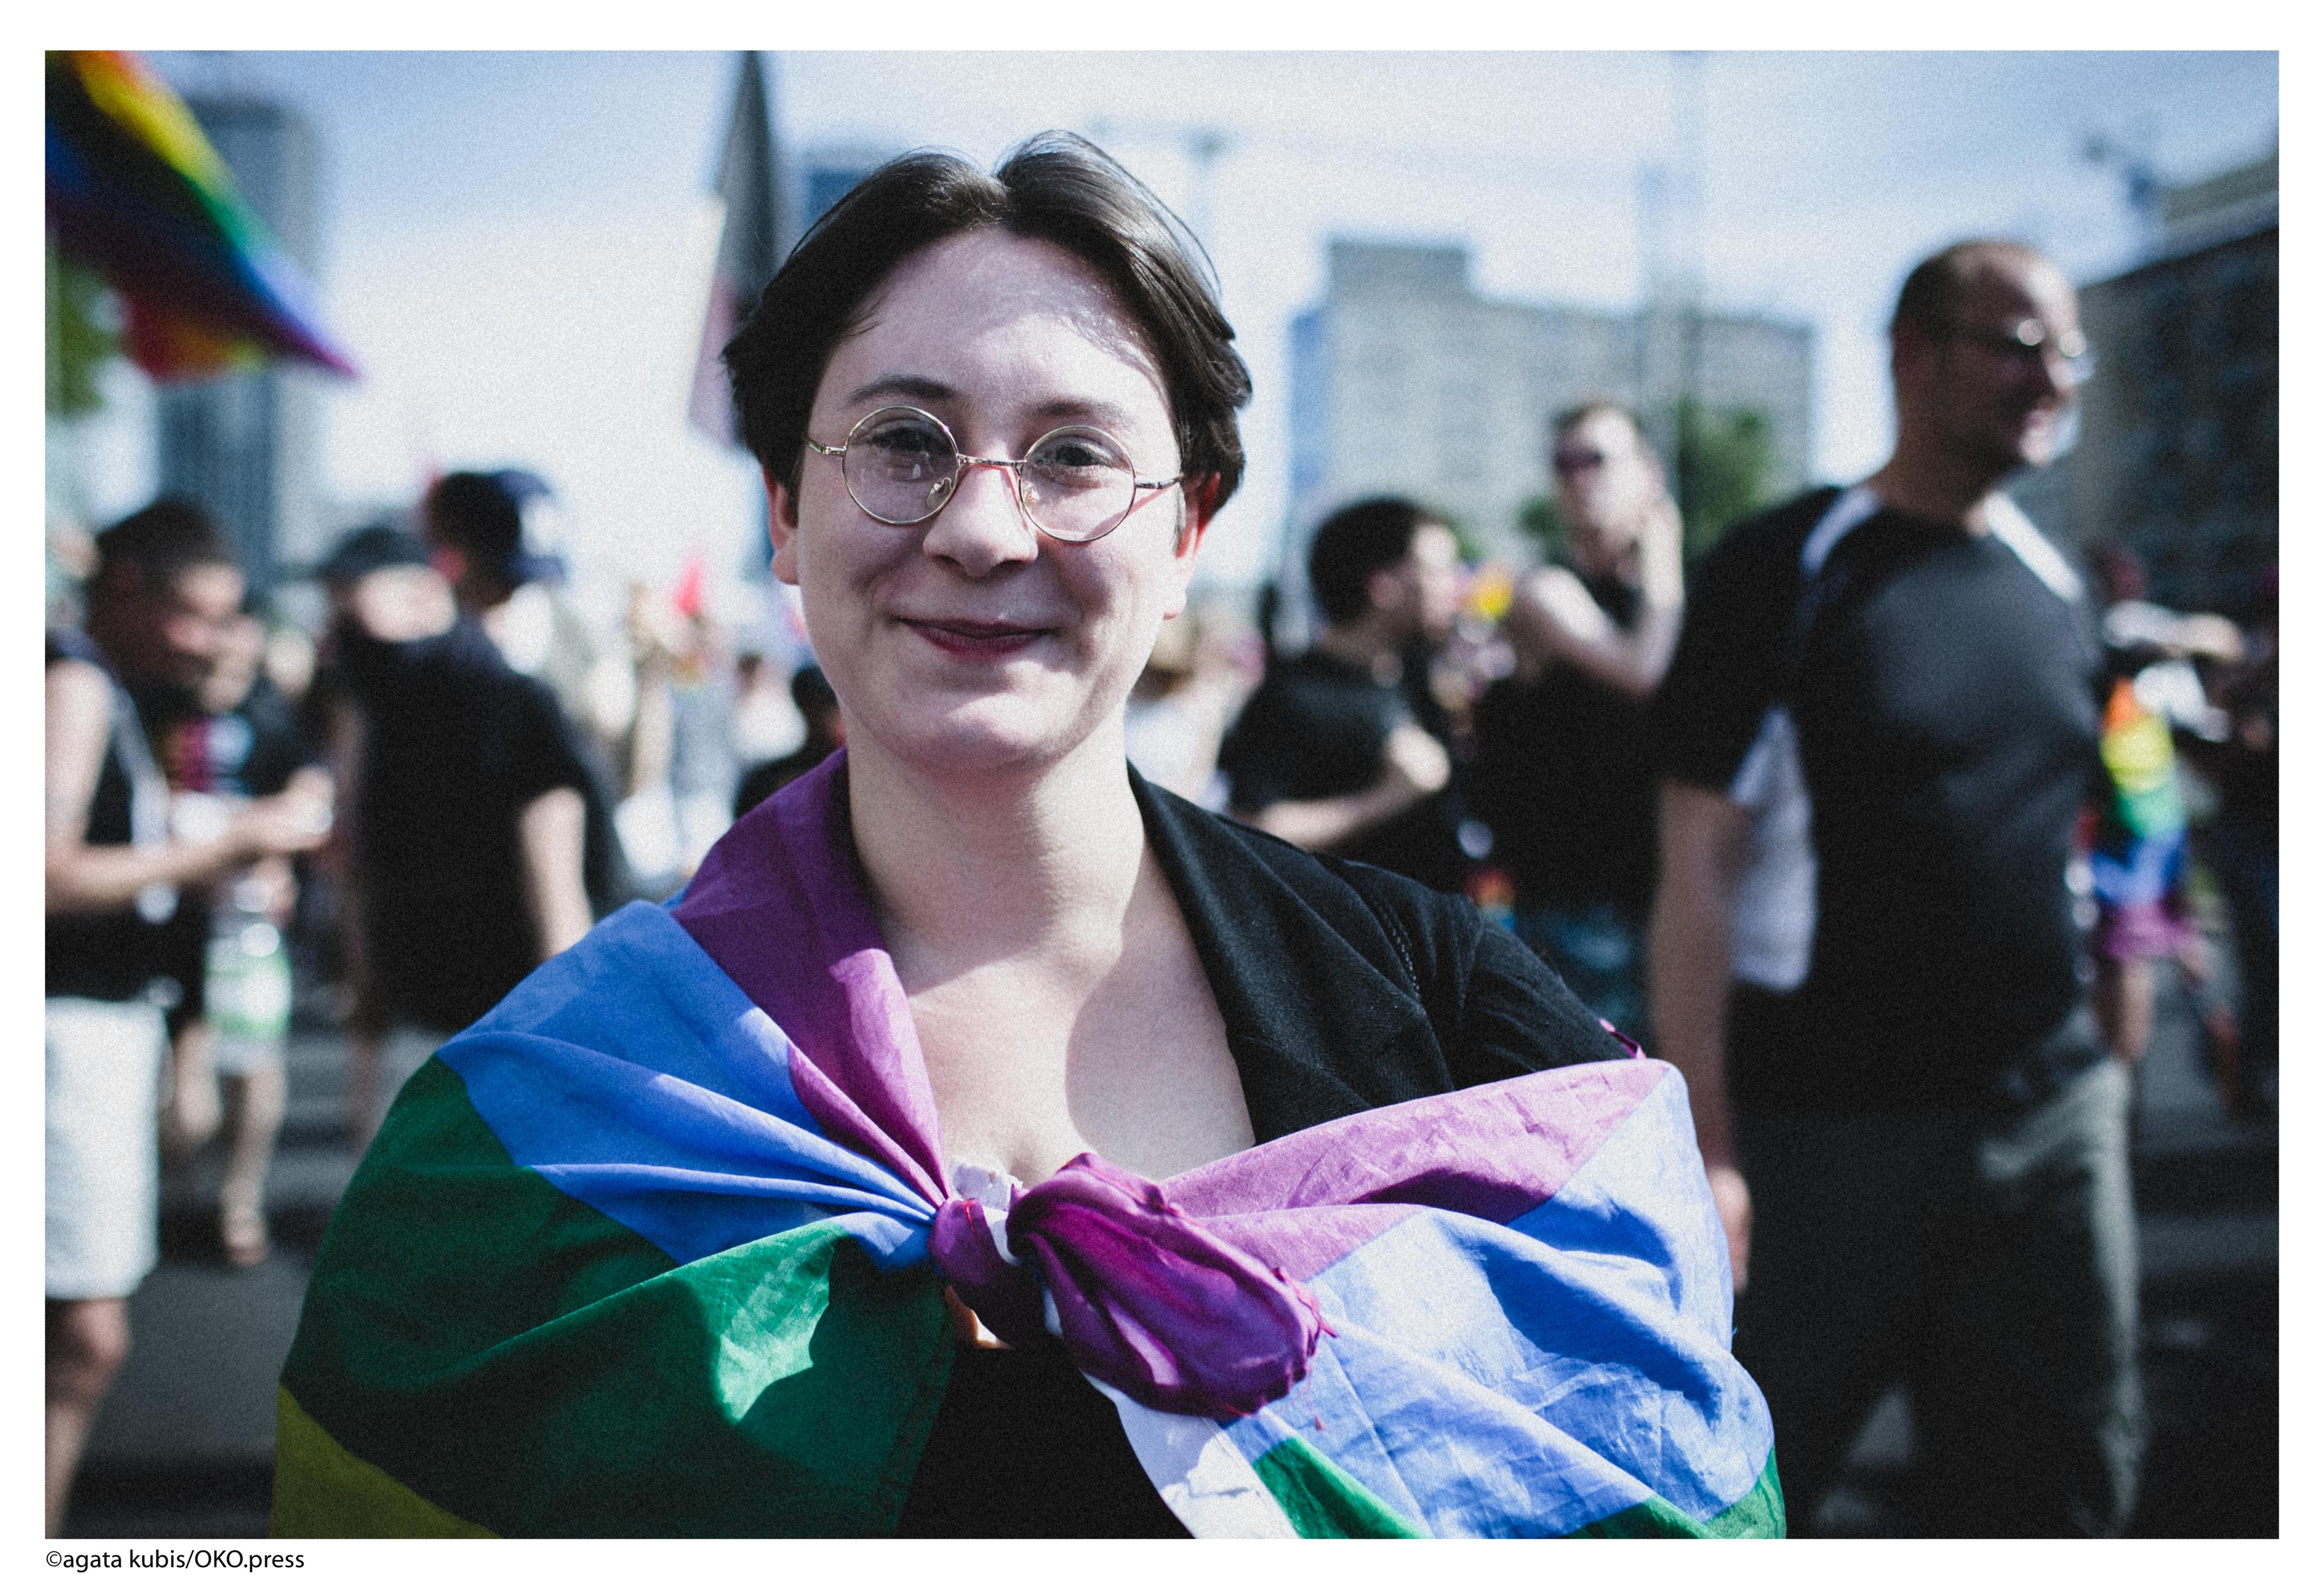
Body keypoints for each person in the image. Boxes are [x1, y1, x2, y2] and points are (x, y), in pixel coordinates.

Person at [275, 134, 1777, 1539]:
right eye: (903, 442)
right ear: (786, 510)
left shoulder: (1454, 1017)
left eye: (1071, 455)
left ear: (1185, 532)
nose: (985, 530)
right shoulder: (566, 1098)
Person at [1646, 240, 2143, 1535]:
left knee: (2061, 1492)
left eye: (2069, 352)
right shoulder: (1787, 567)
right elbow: (1697, 870)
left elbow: (2098, 822)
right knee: (1744, 1495)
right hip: (1830, 1134)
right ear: (1913, 354)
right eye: (2020, 346)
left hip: (2052, 1116)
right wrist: (1709, 1148)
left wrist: (2120, 1009)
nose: (2053, 379)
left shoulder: (2059, 583)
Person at [45, 500, 329, 1535]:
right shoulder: (75, 682)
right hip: (64, 1033)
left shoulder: (105, 684)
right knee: (81, 1340)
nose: (214, 643)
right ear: (128, 588)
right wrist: (224, 846)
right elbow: (42, 872)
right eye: (197, 616)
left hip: (91, 1029)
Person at [314, 523, 622, 1145]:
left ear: (425, 594)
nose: (335, 629)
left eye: (353, 605)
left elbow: (556, 882)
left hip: (508, 1026)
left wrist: (571, 1036)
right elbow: (365, 861)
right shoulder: (379, 704)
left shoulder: (504, 701)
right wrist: (366, 997)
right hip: (419, 1019)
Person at [1469, 403, 1683, 1038]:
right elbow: (1643, 673)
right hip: (1577, 907)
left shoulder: (1656, 600)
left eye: (1595, 459)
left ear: (1647, 474)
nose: (1578, 478)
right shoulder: (1545, 588)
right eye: (1564, 463)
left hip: (1659, 894)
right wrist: (1666, 558)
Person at [150, 605, 332, 1268]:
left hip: (248, 925)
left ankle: (239, 1199)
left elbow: (312, 801)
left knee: (254, 1065)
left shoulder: (274, 719)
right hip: (169, 921)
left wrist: (250, 835)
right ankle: (179, 1194)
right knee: (182, 1092)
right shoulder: (155, 708)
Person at [1217, 497, 1472, 893]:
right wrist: (1387, 797)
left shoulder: (1419, 673)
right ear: (1383, 586)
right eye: (1440, 571)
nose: (1457, 585)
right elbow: (1249, 828)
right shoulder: (1292, 694)